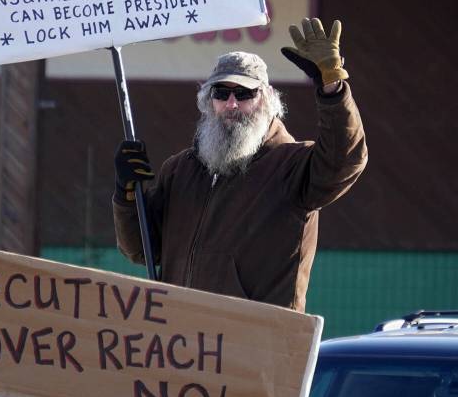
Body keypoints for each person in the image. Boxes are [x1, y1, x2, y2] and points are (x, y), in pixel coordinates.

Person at [113, 18, 367, 312]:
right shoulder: (180, 169)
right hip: (182, 341)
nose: (232, 104)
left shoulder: (291, 166)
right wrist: (127, 193)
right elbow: (139, 250)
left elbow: (345, 160)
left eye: (245, 93)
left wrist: (332, 89)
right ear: (209, 101)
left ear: (267, 99)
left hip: (254, 345)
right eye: (222, 93)